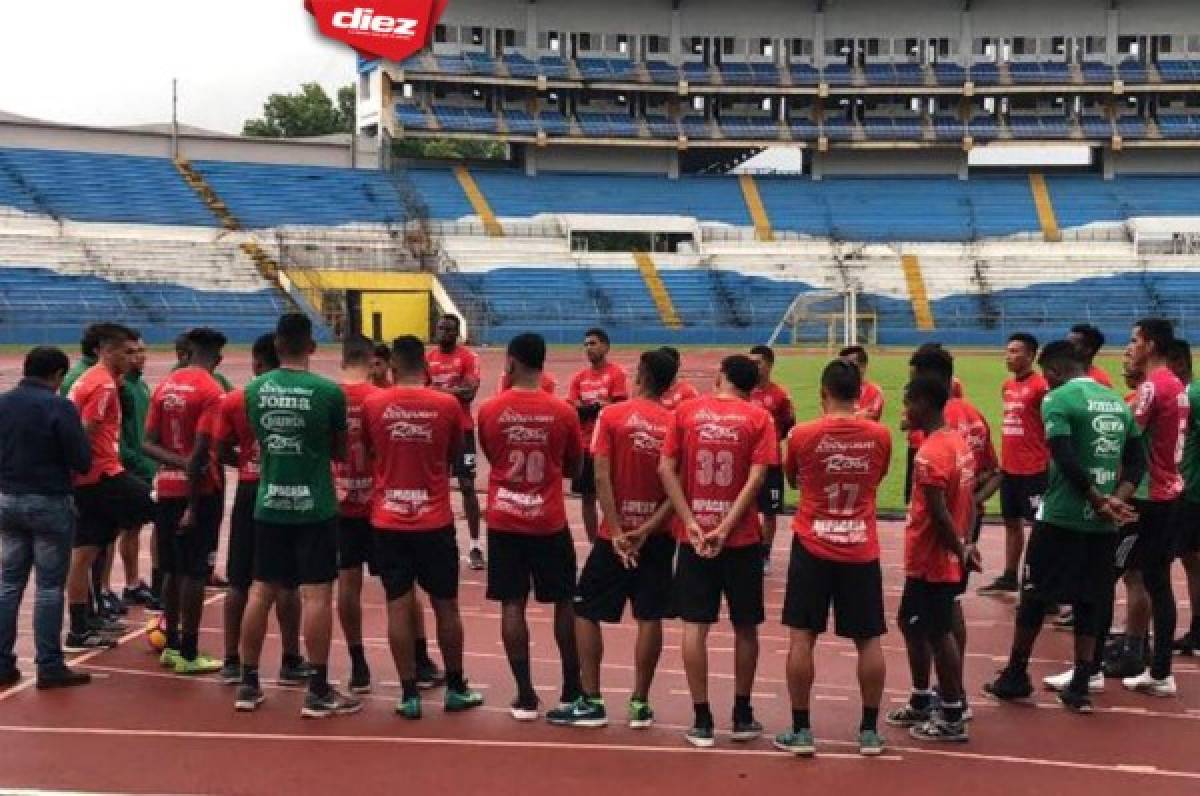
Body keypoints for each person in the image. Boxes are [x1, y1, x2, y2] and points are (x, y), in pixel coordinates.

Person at [984, 341, 1142, 713]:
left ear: (1052, 371)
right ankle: (1081, 685)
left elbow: (1063, 455)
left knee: (1035, 595)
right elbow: (1138, 460)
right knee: (1092, 599)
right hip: (1102, 525)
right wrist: (1116, 497)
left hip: (1061, 517)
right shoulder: (1117, 402)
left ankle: (1016, 674)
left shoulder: (1057, 399)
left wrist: (1094, 498)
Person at [235, 313, 359, 718]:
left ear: (276, 343)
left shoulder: (253, 390)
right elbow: (340, 452)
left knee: (260, 590)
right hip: (315, 505)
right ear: (311, 345)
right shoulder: (327, 392)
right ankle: (318, 688)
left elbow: (259, 440)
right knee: (317, 594)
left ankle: (248, 683)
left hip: (269, 501)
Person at [548, 349, 678, 730]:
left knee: (586, 610)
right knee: (649, 616)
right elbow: (676, 487)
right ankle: (640, 702)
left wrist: (620, 530)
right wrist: (648, 527)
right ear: (670, 382)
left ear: (639, 375)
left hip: (614, 535)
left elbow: (601, 476)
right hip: (657, 536)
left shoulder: (612, 415)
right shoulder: (675, 422)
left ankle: (591, 699)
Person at [362, 335, 485, 719]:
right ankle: (455, 686)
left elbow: (370, 452)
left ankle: (409, 693)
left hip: (388, 519)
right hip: (434, 520)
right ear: (427, 368)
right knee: (445, 606)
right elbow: (453, 457)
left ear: (393, 368)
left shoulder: (373, 403)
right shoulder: (447, 405)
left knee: (398, 604)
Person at [773, 360, 892, 758]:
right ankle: (870, 731)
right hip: (860, 543)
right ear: (860, 393)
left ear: (823, 393)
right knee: (868, 638)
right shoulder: (879, 435)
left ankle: (802, 729)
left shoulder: (803, 434)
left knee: (802, 636)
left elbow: (793, 479)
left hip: (813, 542)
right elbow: (876, 478)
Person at [658, 354, 777, 748]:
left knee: (695, 627)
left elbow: (665, 469)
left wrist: (690, 520)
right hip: (740, 538)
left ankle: (702, 718)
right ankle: (742, 714)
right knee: (746, 626)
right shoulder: (760, 418)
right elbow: (758, 478)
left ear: (721, 377)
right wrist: (725, 526)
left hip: (694, 537)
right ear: (753, 384)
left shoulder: (687, 411)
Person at [477, 333, 585, 722]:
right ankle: (572, 687)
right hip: (548, 519)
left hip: (505, 517)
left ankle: (524, 694)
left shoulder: (489, 410)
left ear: (511, 362)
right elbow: (575, 468)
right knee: (564, 601)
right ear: (543, 363)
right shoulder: (564, 412)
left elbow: (491, 455)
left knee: (512, 603)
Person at [215, 334, 309, 686]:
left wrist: (244, 461)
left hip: (250, 486)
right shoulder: (301, 395)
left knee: (239, 579)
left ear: (256, 361)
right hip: (285, 486)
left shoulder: (237, 398)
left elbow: (221, 447)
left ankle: (231, 659)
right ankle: (290, 658)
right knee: (287, 582)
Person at [889, 375, 977, 743]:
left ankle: (952, 711)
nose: (905, 410)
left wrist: (958, 548)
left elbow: (939, 513)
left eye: (908, 402)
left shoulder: (931, 453)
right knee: (912, 625)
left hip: (932, 559)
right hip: (941, 556)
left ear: (924, 402)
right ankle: (923, 698)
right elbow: (969, 499)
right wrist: (965, 544)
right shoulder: (958, 442)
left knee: (937, 633)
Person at [0, 347, 93, 689]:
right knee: (49, 586)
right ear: (57, 376)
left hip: (8, 498)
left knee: (9, 582)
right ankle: (50, 664)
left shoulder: (4, 402)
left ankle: (2, 661)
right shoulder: (59, 406)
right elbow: (81, 459)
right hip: (49, 499)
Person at [1103, 319, 1187, 696]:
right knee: (1158, 582)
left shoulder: (1152, 388)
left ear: (1150, 345)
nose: (1131, 346)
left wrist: (1113, 493)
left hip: (1146, 498)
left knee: (1107, 573)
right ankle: (1160, 671)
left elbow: (1128, 441)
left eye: (1134, 340)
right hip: (1169, 493)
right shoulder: (1177, 386)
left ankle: (1088, 668)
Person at [64, 323, 156, 651]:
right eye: (127, 352)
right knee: (166, 509)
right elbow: (84, 433)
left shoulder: (97, 380)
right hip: (102, 475)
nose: (134, 358)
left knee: (87, 550)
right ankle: (169, 604)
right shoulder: (102, 385)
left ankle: (80, 626)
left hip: (92, 476)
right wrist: (87, 471)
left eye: (136, 352)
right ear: (107, 351)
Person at [143, 327, 227, 674]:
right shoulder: (212, 391)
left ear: (188, 352)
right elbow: (202, 453)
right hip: (200, 492)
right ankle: (190, 652)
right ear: (218, 358)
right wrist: (192, 506)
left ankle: (172, 644)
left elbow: (146, 443)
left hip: (165, 487)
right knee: (195, 572)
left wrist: (173, 463)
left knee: (171, 569)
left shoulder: (165, 385)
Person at [978, 333, 1049, 596]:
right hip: (1010, 468)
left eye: (1015, 351)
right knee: (1011, 522)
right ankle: (1010, 576)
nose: (1008, 356)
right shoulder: (1007, 386)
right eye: (1007, 351)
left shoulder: (1042, 387)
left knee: (1040, 528)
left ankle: (1042, 584)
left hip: (1034, 468)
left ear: (1031, 356)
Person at [334, 335, 382, 694]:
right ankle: (417, 662)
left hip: (338, 502)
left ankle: (358, 662)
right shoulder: (379, 399)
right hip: (379, 504)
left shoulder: (328, 396)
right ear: (370, 360)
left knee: (346, 584)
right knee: (401, 585)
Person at [425, 315, 485, 570]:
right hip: (433, 429)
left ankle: (474, 545)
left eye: (448, 329)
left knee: (467, 486)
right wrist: (452, 391)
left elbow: (469, 393)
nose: (443, 333)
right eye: (440, 328)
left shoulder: (468, 357)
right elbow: (419, 389)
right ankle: (434, 540)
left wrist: (436, 391)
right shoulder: (428, 358)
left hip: (462, 429)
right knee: (432, 484)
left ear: (457, 332)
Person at [568, 327, 630, 543]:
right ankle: (594, 542)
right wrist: (597, 407)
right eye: (585, 344)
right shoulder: (579, 378)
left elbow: (618, 406)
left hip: (609, 445)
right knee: (587, 497)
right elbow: (574, 409)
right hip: (585, 444)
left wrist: (591, 408)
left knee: (612, 494)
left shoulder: (616, 374)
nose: (588, 348)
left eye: (593, 343)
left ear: (605, 346)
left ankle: (614, 536)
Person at [115, 331, 157, 610]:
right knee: (129, 529)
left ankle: (138, 581)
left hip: (146, 466)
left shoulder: (141, 387)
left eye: (142, 351)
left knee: (140, 527)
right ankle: (130, 584)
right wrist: (143, 465)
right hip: (132, 469)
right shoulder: (121, 388)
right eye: (132, 352)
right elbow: (120, 439)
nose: (139, 356)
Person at [748, 345, 796, 573]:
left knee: (769, 511)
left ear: (769, 364)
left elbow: (789, 425)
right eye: (752, 362)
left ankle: (764, 554)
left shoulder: (780, 395)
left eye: (758, 362)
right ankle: (748, 549)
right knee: (745, 508)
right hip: (745, 462)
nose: (754, 367)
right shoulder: (743, 392)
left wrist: (771, 443)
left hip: (771, 463)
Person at [1167, 340, 1200, 656]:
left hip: (1187, 491)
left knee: (1157, 564)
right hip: (1185, 489)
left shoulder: (1191, 395)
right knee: (1190, 560)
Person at [840, 345, 885, 422]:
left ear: (863, 367)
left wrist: (843, 417)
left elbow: (869, 417)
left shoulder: (875, 392)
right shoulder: (835, 389)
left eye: (850, 365)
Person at [1068, 323, 1114, 388]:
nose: (1065, 347)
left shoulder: (1100, 383)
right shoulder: (1055, 375)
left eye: (1072, 345)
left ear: (1088, 350)